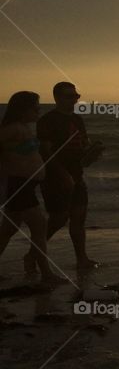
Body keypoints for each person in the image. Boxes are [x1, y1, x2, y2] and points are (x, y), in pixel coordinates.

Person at [27, 82, 101, 272]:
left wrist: (91, 154)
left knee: (79, 217)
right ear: (57, 98)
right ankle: (32, 254)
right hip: (54, 177)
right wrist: (62, 174)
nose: (74, 99)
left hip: (77, 173)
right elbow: (45, 151)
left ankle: (82, 259)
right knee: (58, 218)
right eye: (69, 96)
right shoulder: (47, 120)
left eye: (75, 96)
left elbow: (82, 144)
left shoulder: (77, 119)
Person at [0, 92, 66, 284]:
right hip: (19, 185)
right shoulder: (12, 129)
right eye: (36, 108)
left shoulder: (23, 128)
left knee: (7, 230)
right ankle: (46, 273)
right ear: (23, 109)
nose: (39, 111)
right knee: (39, 226)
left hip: (25, 185)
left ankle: (45, 272)